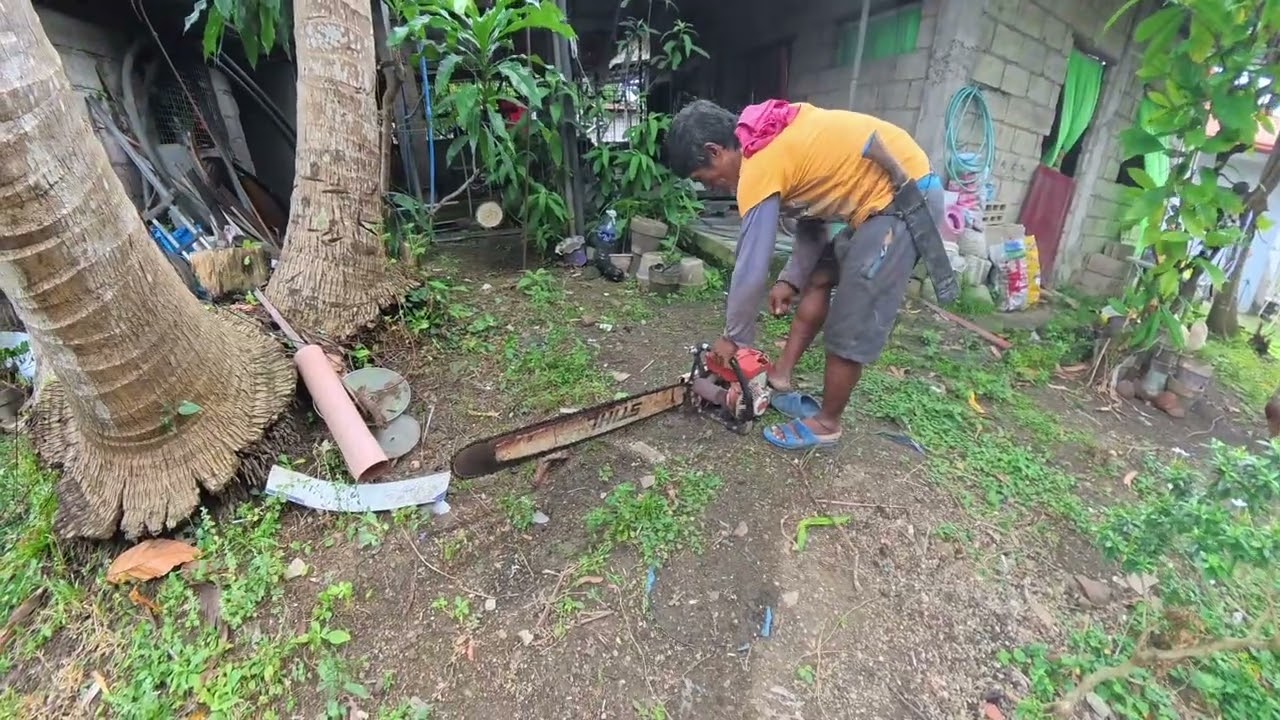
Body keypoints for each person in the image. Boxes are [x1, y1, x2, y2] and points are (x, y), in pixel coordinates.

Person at [664, 99, 945, 450]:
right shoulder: (766, 138)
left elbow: (751, 264)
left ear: (715, 151)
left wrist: (734, 338)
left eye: (703, 178)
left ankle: (827, 424)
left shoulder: (758, 163)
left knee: (851, 316)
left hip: (903, 197)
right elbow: (812, 218)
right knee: (819, 279)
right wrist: (791, 279)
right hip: (876, 204)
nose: (711, 187)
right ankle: (779, 377)